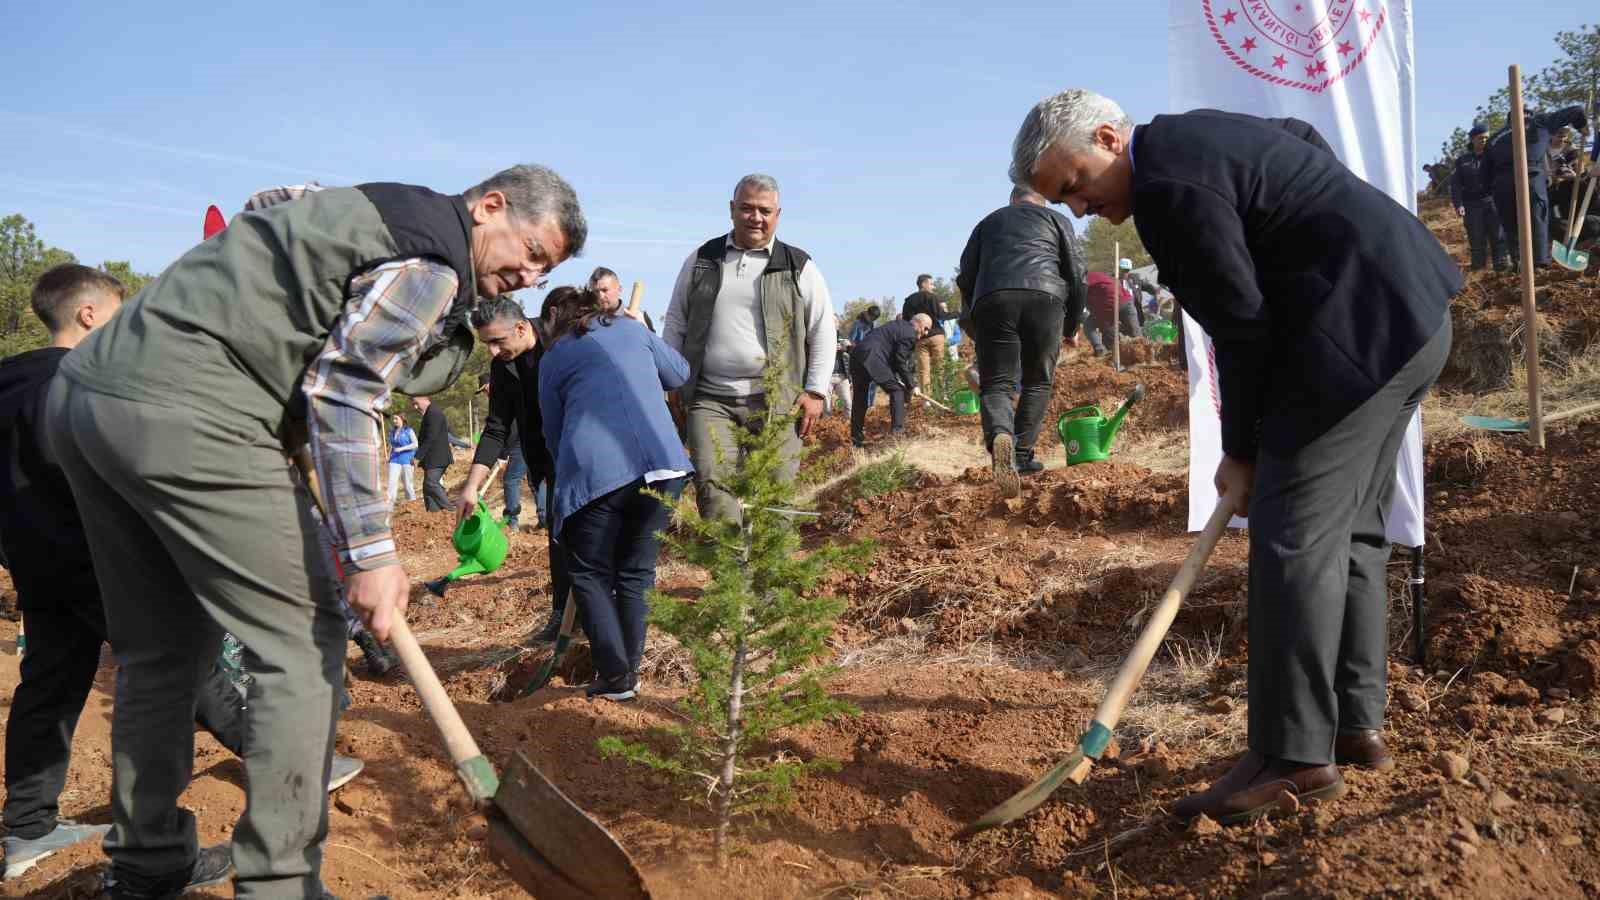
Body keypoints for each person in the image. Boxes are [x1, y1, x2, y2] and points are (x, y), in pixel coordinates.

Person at [49, 165, 585, 898]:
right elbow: (346, 389)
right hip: (194, 410)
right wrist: (368, 551)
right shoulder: (434, 262)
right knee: (302, 640)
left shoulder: (356, 207)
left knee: (161, 650)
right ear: (491, 205)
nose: (527, 275)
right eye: (531, 253)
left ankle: (145, 866)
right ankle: (282, 886)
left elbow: (263, 205)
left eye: (544, 270)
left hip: (88, 398)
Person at [1011, 90, 1460, 822]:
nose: (1080, 208)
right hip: (1412, 313)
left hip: (1355, 332)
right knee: (1352, 531)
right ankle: (1353, 722)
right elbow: (1300, 136)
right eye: (1065, 200)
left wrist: (1243, 451)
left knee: (1291, 533)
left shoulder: (1168, 195)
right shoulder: (1197, 135)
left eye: (1075, 185)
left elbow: (1241, 328)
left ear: (1106, 138)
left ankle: (1291, 755)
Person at [2, 266, 365, 889]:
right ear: (89, 315)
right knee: (178, 662)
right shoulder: (82, 383)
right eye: (119, 312)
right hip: (95, 549)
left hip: (31, 558)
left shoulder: (8, 384)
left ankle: (28, 825)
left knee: (52, 681)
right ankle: (288, 763)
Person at [538, 286, 692, 701]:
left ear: (554, 315)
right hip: (664, 463)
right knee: (636, 572)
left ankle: (615, 675)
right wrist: (641, 334)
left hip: (598, 471)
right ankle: (628, 675)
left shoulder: (554, 356)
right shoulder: (632, 329)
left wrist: (566, 482)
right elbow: (679, 373)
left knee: (589, 572)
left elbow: (551, 430)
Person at [661, 173, 836, 524]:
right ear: (731, 210)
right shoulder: (702, 260)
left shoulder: (797, 265)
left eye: (764, 210)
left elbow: (822, 330)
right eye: (746, 208)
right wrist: (672, 379)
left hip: (778, 403)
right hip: (710, 399)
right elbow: (677, 321)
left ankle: (770, 580)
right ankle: (731, 577)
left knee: (775, 496)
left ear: (777, 215)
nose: (755, 217)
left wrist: (815, 390)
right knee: (713, 490)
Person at [956, 185, 1087, 496]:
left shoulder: (988, 222)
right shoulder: (1056, 220)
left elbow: (965, 275)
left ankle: (1001, 435)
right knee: (1038, 381)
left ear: (1013, 200)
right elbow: (1077, 272)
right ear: (1041, 201)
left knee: (996, 383)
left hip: (994, 298)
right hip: (1047, 297)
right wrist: (1073, 324)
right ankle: (1022, 455)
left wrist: (974, 316)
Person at [460, 299, 570, 642]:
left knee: (593, 534)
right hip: (546, 461)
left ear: (522, 328)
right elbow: (495, 428)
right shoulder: (502, 367)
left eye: (498, 341)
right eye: (487, 344)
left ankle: (602, 612)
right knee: (558, 536)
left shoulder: (562, 341)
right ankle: (561, 614)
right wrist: (472, 486)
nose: (493, 351)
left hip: (584, 455)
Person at [1486, 105, 1589, 270]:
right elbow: (1576, 110)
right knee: (1537, 217)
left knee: (1511, 223)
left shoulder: (1493, 139)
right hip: (1530, 175)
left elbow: (1485, 175)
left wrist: (1492, 190)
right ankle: (1540, 263)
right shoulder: (1539, 122)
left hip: (1502, 182)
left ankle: (1519, 263)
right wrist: (1582, 127)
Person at [848, 314, 931, 449]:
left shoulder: (897, 326)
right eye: (926, 328)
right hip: (872, 356)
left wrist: (902, 379)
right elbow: (900, 361)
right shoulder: (909, 333)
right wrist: (912, 385)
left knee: (860, 399)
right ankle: (898, 434)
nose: (926, 332)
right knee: (897, 390)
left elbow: (893, 358)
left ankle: (856, 440)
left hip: (857, 355)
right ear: (918, 323)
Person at [1449, 122, 1511, 272]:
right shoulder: (1463, 160)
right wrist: (1459, 204)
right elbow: (1456, 184)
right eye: (1480, 138)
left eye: (1486, 138)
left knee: (1498, 236)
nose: (1483, 141)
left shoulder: (1495, 157)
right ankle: (1478, 269)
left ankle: (1501, 267)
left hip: (1493, 201)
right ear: (1472, 140)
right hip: (1471, 205)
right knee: (1476, 238)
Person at [900, 274, 955, 397]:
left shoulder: (908, 301)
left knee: (923, 370)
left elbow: (905, 321)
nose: (933, 287)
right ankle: (942, 395)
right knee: (939, 367)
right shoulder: (932, 297)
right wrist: (958, 313)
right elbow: (942, 316)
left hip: (919, 338)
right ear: (923, 284)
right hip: (936, 335)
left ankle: (927, 400)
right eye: (931, 284)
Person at [412, 394, 453, 512]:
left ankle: (450, 510)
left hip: (438, 458)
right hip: (432, 459)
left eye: (416, 403)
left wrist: (417, 457)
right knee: (427, 487)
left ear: (424, 398)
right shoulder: (429, 413)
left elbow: (430, 438)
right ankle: (433, 513)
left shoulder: (434, 413)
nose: (415, 407)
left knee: (431, 483)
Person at [1083, 269, 1135, 354]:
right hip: (1126, 301)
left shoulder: (1082, 280)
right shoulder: (1101, 275)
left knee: (1098, 328)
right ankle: (1106, 349)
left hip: (1110, 303)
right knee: (1135, 333)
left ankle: (1105, 351)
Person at [588, 266, 654, 332]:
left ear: (619, 289)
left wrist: (643, 327)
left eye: (605, 290)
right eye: (596, 291)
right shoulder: (588, 320)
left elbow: (654, 342)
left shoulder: (639, 317)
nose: (601, 296)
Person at [846, 305, 881, 409]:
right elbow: (851, 340)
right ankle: (862, 405)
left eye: (875, 319)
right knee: (862, 382)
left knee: (873, 380)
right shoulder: (857, 324)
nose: (873, 320)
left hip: (869, 355)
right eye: (872, 317)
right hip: (859, 356)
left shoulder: (871, 325)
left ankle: (870, 404)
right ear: (868, 314)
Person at [386, 413, 418, 507]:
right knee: (392, 482)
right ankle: (390, 503)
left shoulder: (409, 431)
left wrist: (402, 448)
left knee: (407, 484)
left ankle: (412, 503)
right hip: (394, 459)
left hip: (407, 459)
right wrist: (388, 456)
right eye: (393, 419)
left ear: (402, 419)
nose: (394, 421)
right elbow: (392, 445)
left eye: (396, 419)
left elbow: (415, 444)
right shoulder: (392, 431)